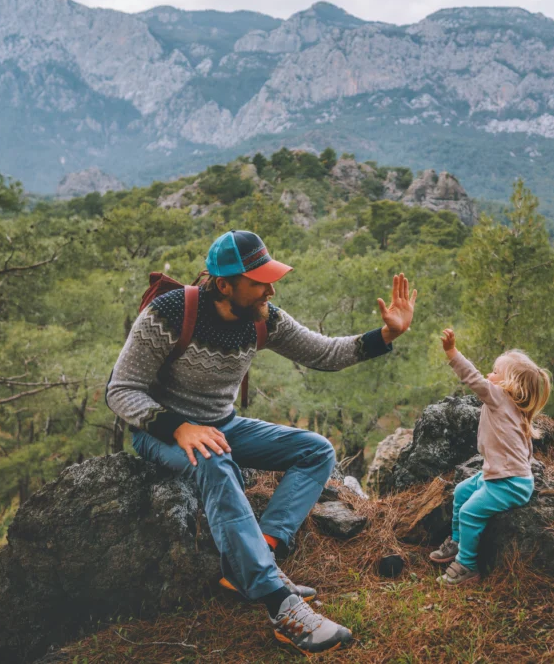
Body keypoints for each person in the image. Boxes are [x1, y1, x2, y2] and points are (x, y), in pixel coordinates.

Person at [105, 230, 416, 653]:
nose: (271, 288)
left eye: (270, 278)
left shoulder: (263, 318)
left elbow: (323, 353)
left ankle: (258, 555)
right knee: (214, 460)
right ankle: (280, 604)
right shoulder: (170, 314)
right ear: (224, 283)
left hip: (223, 424)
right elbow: (121, 390)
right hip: (160, 434)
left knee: (316, 450)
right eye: (258, 281)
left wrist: (385, 335)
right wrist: (179, 427)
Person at [429, 329, 551, 585]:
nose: (489, 375)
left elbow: (473, 379)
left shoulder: (498, 398)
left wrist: (452, 353)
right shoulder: (514, 408)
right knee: (462, 491)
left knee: (470, 512)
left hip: (509, 483)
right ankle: (458, 540)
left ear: (510, 383)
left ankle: (467, 566)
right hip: (499, 476)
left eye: (495, 372)